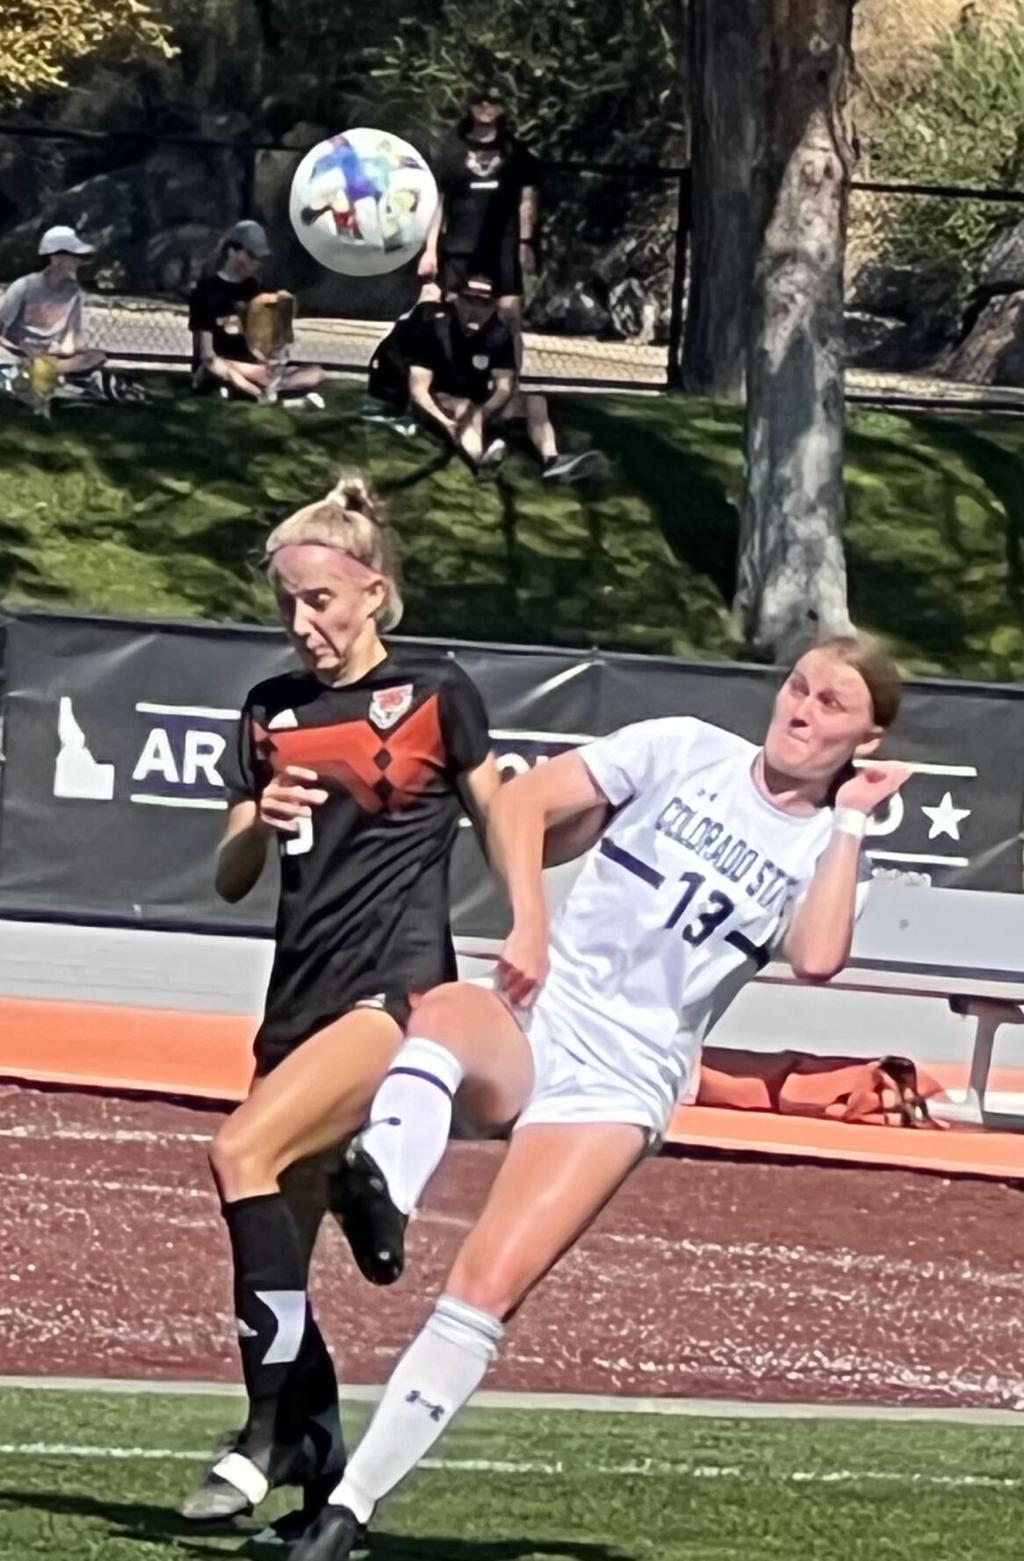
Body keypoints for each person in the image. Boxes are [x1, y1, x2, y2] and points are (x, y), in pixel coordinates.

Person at [291, 633, 911, 1560]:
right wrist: (529, 928)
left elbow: (818, 956)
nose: (801, 710)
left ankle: (350, 1508)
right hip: (550, 1004)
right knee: (451, 1010)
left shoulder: (826, 840)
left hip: (629, 1071)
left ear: (865, 738)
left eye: (832, 706)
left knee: (487, 1287)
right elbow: (522, 803)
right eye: (798, 687)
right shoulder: (684, 747)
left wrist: (853, 819)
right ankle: (384, 1190)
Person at [178, 474, 501, 1544]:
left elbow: (505, 815)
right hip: (296, 994)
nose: (302, 621)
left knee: (239, 1155)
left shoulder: (432, 692)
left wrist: (536, 939)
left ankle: (269, 1430)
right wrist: (256, 819)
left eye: (320, 597)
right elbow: (230, 874)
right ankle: (315, 1457)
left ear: (373, 591)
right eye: (286, 603)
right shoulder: (269, 710)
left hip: (394, 984)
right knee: (278, 1237)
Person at [367, 278, 599, 481]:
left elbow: (504, 386)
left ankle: (552, 461)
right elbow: (419, 390)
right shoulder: (433, 324)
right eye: (469, 300)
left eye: (484, 302)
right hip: (439, 398)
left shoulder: (499, 333)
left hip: (477, 395)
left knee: (534, 399)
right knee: (463, 407)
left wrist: (485, 412)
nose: (475, 309)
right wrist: (445, 422)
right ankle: (479, 462)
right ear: (456, 299)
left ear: (494, 305)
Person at [421, 85, 540, 351]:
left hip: (503, 249)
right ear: (469, 106)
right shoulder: (451, 151)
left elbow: (527, 201)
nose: (486, 106)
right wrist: (429, 251)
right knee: (454, 317)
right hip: (460, 247)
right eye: (479, 100)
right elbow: (438, 203)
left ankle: (509, 386)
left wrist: (525, 243)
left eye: (493, 100)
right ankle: (454, 383)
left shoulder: (517, 153)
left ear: (502, 107)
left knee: (508, 317)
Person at [188, 219, 324, 403]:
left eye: (259, 258)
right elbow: (207, 356)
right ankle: (254, 390)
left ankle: (269, 388)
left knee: (314, 372)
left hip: (255, 368)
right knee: (213, 368)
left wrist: (277, 358)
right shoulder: (206, 291)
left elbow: (270, 343)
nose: (256, 263)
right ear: (232, 251)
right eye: (251, 256)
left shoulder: (258, 291)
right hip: (222, 367)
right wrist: (248, 385)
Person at [0, 225, 107, 378]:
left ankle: (40, 371)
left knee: (94, 357)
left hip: (49, 354)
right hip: (18, 352)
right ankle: (33, 371)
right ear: (56, 259)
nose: (79, 262)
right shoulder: (23, 287)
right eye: (75, 257)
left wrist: (67, 350)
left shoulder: (74, 292)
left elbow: (71, 340)